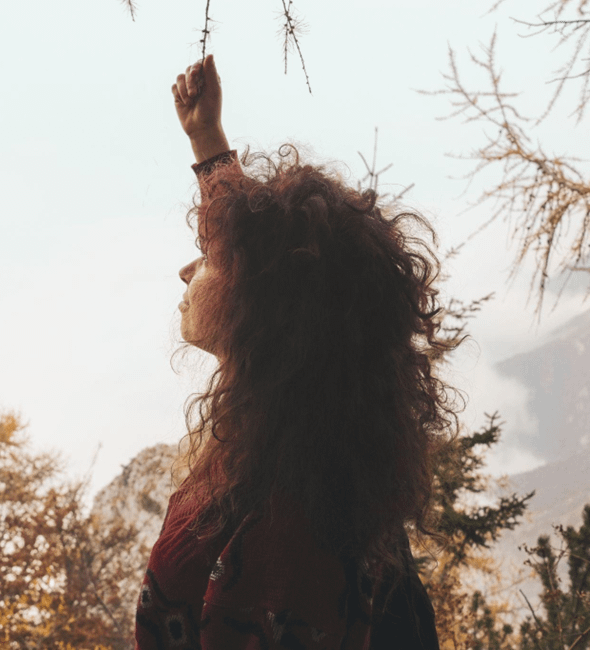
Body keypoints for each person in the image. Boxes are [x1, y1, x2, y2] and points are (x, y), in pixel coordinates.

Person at [133, 55, 453, 649]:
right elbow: (277, 260)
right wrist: (208, 142)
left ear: (259, 314)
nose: (186, 271)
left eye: (211, 262)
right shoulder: (302, 456)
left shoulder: (288, 539)